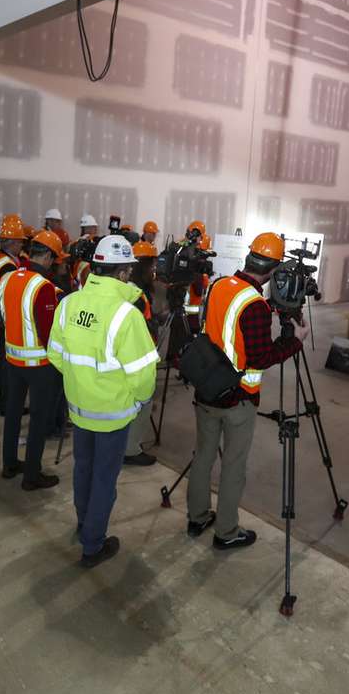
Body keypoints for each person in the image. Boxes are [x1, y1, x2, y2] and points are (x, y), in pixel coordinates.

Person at [187, 232, 305, 550]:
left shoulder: (220, 285)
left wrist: (268, 310)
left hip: (206, 389)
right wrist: (294, 341)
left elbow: (228, 319)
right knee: (233, 467)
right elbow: (261, 357)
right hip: (237, 400)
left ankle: (197, 517)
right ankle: (226, 532)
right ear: (274, 270)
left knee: (203, 457)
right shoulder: (255, 307)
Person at [47, 235, 159, 568]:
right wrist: (135, 400)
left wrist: (82, 384)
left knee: (83, 471)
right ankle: (93, 544)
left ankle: (84, 526)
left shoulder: (69, 303)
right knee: (103, 481)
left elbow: (55, 354)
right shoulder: (127, 316)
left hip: (79, 410)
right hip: (112, 415)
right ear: (124, 273)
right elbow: (143, 378)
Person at [0, 230, 66, 490]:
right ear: (47, 256)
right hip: (39, 366)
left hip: (12, 360)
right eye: (54, 259)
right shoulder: (43, 287)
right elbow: (48, 333)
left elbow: (5, 318)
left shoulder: (8, 278)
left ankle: (9, 464)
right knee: (38, 419)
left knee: (13, 413)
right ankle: (32, 476)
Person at [124, 241, 161, 466]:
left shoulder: (129, 288)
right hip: (137, 357)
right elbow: (138, 330)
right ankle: (130, 449)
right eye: (152, 265)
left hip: (127, 356)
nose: (155, 271)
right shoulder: (135, 294)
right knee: (142, 401)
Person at [0, 214, 25, 417]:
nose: (21, 246)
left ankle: (4, 401)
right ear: (11, 242)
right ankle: (8, 404)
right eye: (20, 242)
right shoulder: (8, 265)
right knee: (7, 366)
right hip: (3, 322)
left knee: (2, 363)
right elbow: (10, 296)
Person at [69, 214, 100, 288]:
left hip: (79, 276)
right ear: (86, 228)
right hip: (83, 274)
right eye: (93, 227)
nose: (95, 229)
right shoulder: (80, 243)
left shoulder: (76, 242)